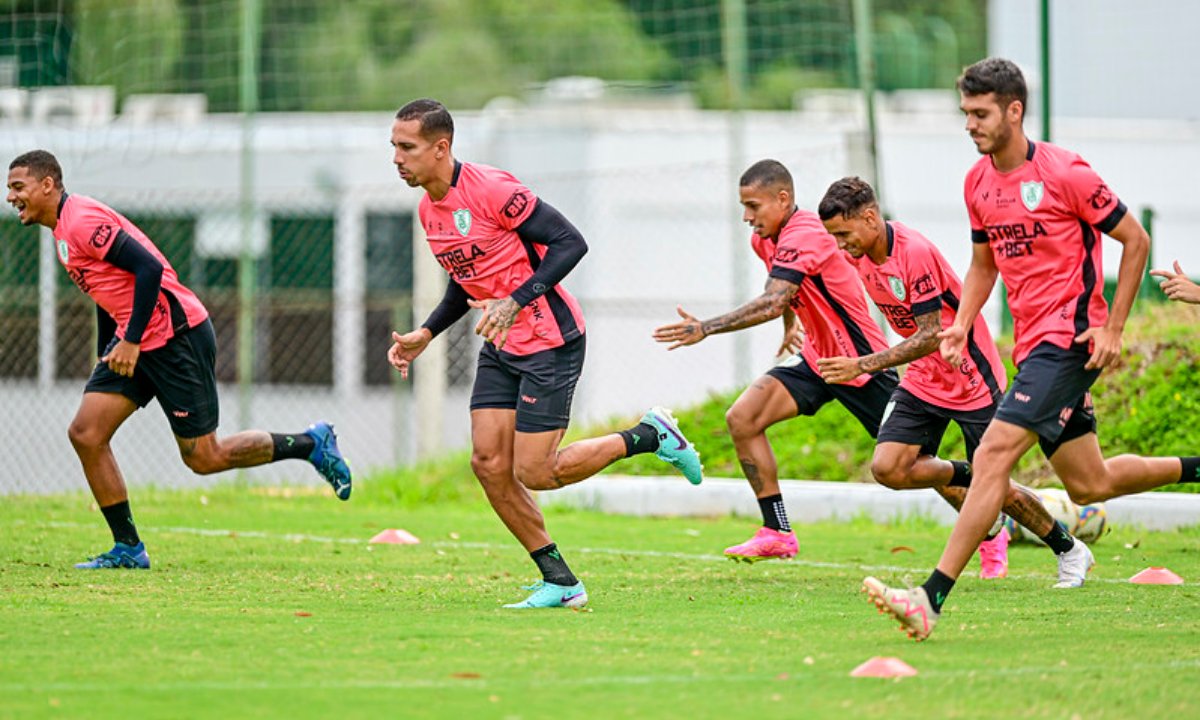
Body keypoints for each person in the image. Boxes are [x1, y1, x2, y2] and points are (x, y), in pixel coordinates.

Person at [863, 58, 1200, 641]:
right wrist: (961, 323)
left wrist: (1113, 327)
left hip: (1068, 343)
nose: (969, 124)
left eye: (980, 113)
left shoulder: (1067, 172)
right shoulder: (977, 183)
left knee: (992, 456)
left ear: (1014, 110)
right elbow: (982, 263)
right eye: (965, 113)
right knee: (1089, 483)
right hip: (1031, 348)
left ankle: (929, 598)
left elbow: (1135, 239)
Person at [386, 99, 702, 609]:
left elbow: (570, 243)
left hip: (550, 340)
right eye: (393, 147)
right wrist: (427, 333)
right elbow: (463, 280)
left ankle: (650, 435)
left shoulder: (492, 191)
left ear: (441, 148)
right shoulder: (429, 208)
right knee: (489, 464)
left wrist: (515, 301)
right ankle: (559, 580)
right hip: (502, 345)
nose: (397, 158)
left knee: (537, 472)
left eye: (407, 147)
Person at [5, 150, 352, 570]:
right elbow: (107, 290)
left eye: (18, 187)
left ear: (48, 185)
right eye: (9, 188)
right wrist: (109, 347)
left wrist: (129, 340)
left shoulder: (81, 222)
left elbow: (148, 269)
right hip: (135, 339)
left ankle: (311, 443)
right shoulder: (63, 231)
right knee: (86, 433)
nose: (11, 196)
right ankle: (129, 548)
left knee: (204, 458)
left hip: (175, 337)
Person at [817, 176, 1082, 581]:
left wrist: (862, 365)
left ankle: (1069, 549)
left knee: (1002, 490)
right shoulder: (860, 255)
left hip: (970, 375)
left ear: (870, 217)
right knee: (888, 467)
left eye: (843, 233)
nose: (840, 244)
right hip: (925, 377)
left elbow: (928, 336)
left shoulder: (914, 252)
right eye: (833, 236)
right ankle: (971, 479)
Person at [653, 159, 898, 562]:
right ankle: (777, 531)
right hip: (818, 361)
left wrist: (707, 328)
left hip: (862, 364)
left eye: (754, 206)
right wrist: (791, 324)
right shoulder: (765, 239)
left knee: (912, 463)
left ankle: (992, 523)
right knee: (743, 418)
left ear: (783, 199)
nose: (747, 217)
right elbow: (784, 287)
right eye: (743, 207)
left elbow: (772, 299)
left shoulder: (809, 233)